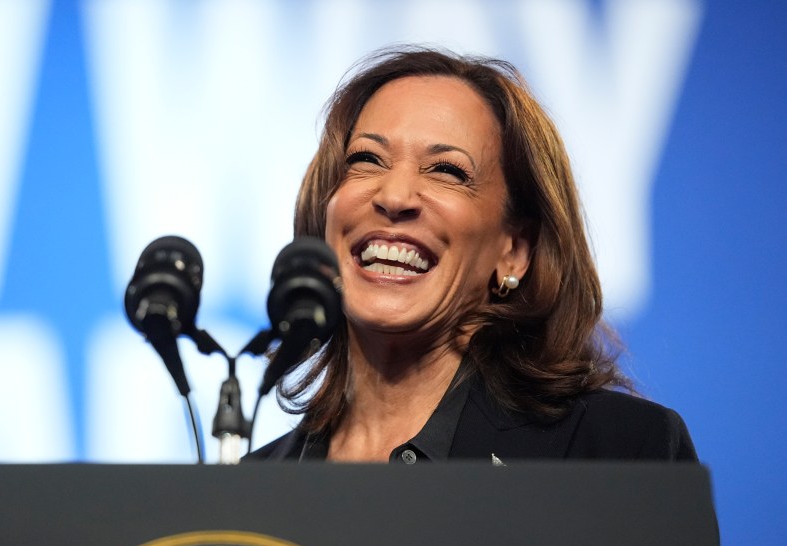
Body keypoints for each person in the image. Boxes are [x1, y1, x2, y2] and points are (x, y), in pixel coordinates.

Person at [249, 46, 697, 463]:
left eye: (447, 170)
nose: (396, 195)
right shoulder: (252, 490)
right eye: (367, 159)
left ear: (514, 252)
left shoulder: (616, 452)